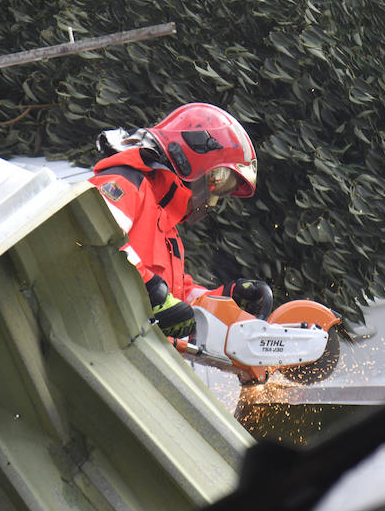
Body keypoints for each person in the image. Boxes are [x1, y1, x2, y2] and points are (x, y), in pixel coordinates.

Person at [89, 102, 272, 339]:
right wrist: (151, 293)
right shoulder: (122, 184)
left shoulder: (165, 225)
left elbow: (176, 299)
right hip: (93, 344)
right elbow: (92, 241)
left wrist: (226, 299)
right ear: (191, 155)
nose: (213, 198)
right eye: (218, 180)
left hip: (125, 355)